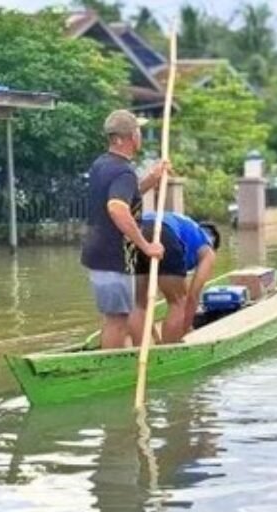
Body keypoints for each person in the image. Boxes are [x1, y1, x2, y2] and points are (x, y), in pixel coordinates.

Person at [81, 109, 169, 350]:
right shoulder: (123, 171)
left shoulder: (102, 164)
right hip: (112, 256)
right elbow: (118, 208)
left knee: (115, 316)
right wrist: (146, 246)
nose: (140, 135)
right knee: (117, 320)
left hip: (98, 252)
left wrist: (152, 179)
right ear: (129, 137)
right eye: (138, 131)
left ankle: (112, 359)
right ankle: (110, 367)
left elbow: (127, 196)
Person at [130, 212, 219, 344]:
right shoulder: (208, 250)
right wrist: (185, 329)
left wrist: (156, 338)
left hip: (136, 232)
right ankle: (169, 350)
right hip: (163, 232)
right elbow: (192, 296)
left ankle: (139, 353)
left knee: (139, 305)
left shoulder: (188, 229)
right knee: (178, 302)